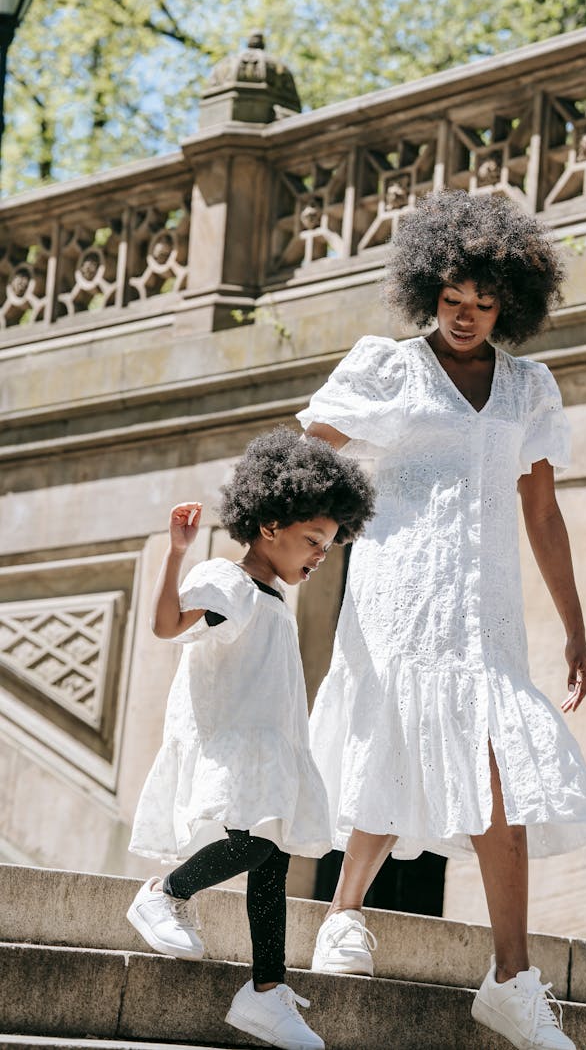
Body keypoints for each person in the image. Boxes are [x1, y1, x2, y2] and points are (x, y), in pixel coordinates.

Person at [298, 191, 586, 1050]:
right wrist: (290, 543)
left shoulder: (528, 389)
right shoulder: (388, 368)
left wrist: (575, 626)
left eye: (484, 304)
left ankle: (512, 979)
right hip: (397, 593)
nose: (466, 318)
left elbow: (542, 513)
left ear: (510, 302)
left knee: (495, 763)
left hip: (488, 611)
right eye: (452, 300)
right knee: (396, 738)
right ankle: (343, 914)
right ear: (428, 290)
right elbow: (309, 456)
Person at [126, 428, 375, 1050]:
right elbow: (164, 626)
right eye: (313, 541)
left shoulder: (270, 599)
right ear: (270, 525)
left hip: (271, 747)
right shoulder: (230, 584)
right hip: (235, 741)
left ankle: (265, 993)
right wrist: (178, 554)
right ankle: (164, 892)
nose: (320, 556)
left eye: (329, 545)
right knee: (257, 847)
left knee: (273, 862)